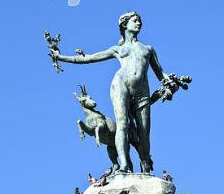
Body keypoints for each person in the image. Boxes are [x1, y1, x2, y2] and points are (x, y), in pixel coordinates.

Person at [52, 12, 172, 173]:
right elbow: (89, 58)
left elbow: (161, 73)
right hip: (121, 84)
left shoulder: (148, 49)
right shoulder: (117, 49)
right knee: (123, 124)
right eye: (135, 21)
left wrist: (169, 81)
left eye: (140, 21)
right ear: (124, 25)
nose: (139, 23)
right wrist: (61, 57)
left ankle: (145, 166)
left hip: (142, 90)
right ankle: (124, 165)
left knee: (144, 132)